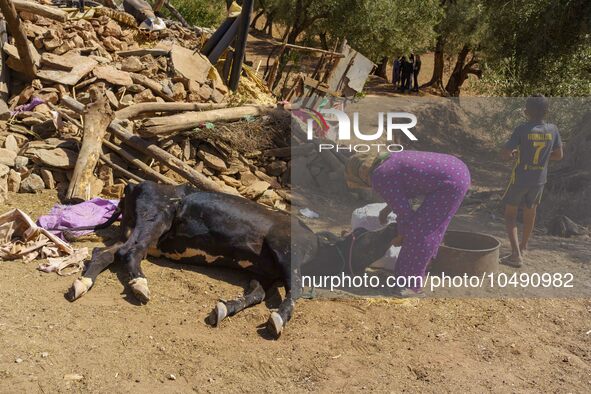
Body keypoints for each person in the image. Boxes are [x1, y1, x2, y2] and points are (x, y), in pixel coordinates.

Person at [346, 149, 471, 295]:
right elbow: (402, 190)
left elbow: (405, 214)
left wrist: (401, 235)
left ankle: (409, 286)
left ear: (361, 175)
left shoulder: (378, 176)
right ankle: (406, 279)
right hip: (455, 169)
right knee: (419, 229)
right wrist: (386, 211)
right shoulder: (385, 163)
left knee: (421, 232)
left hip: (450, 183)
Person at [500, 95, 563, 267]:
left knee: (510, 216)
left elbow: (505, 154)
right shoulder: (553, 129)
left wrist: (512, 155)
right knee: (531, 211)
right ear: (546, 112)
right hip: (540, 180)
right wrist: (543, 157)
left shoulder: (522, 129)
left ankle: (515, 255)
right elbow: (558, 155)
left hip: (520, 178)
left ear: (526, 112)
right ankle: (524, 247)